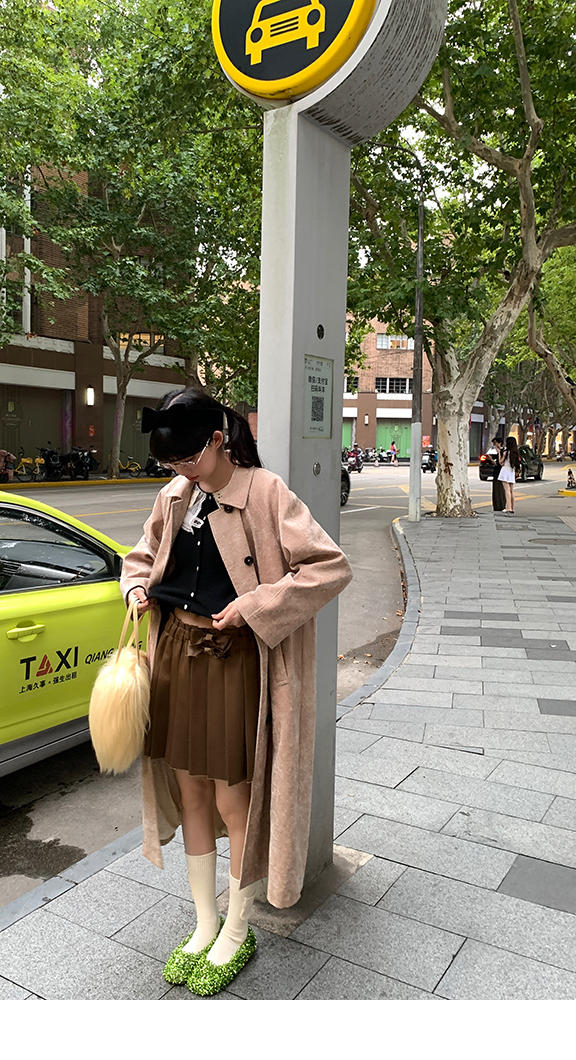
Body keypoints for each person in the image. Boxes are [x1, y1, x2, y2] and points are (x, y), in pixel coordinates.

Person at [120, 387, 352, 996]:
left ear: (218, 440)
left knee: (233, 799)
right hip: (175, 651)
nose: (181, 472)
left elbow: (328, 566)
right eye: (170, 463)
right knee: (189, 789)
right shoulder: (175, 494)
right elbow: (141, 555)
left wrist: (253, 606)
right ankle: (205, 921)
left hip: (234, 660)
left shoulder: (266, 492)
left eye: (188, 459)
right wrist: (136, 587)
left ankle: (238, 925)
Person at [495, 436, 520, 514]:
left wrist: (499, 453)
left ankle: (508, 507)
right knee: (511, 491)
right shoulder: (515, 452)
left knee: (507, 490)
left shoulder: (506, 452)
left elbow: (501, 462)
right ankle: (512, 507)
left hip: (505, 471)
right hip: (511, 471)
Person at [491, 437, 506, 512]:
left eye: (495, 443)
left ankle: (501, 506)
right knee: (496, 491)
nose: (494, 445)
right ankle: (496, 506)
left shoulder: (503, 451)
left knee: (500, 490)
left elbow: (499, 464)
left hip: (501, 472)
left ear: (499, 443)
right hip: (496, 472)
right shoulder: (494, 451)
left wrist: (492, 459)